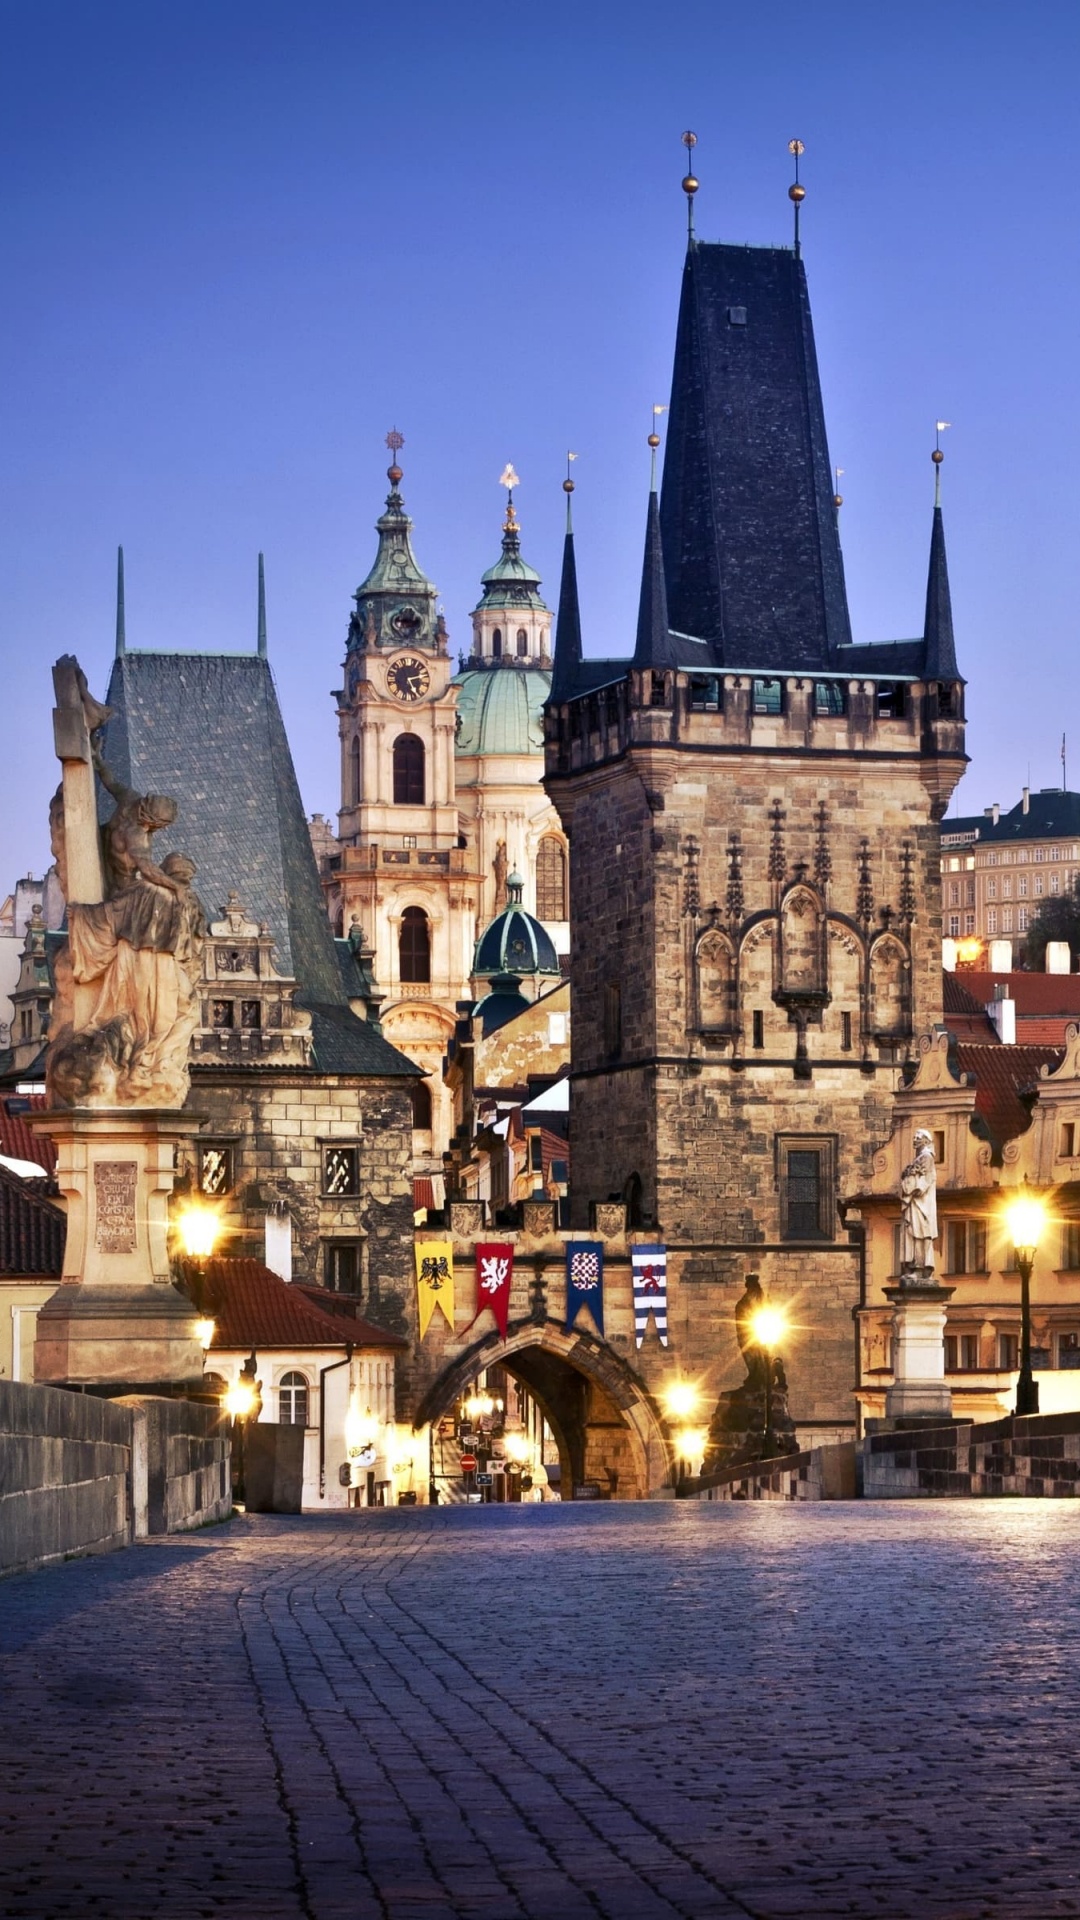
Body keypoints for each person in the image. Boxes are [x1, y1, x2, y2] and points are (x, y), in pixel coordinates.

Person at [899, 1128, 938, 1279]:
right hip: (916, 1204)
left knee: (919, 1235)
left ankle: (919, 1269)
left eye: (918, 1137)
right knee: (914, 1234)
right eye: (914, 1136)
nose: (914, 1139)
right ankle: (915, 1267)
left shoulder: (926, 1157)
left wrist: (910, 1184)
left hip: (922, 1205)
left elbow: (924, 1182)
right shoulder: (920, 1158)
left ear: (926, 1141)